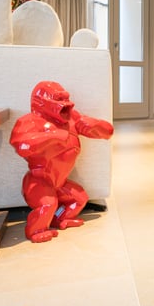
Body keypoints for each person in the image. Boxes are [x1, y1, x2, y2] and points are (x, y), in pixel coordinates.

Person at [10, 81, 114, 243]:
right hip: (39, 181)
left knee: (79, 199)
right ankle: (35, 230)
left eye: (66, 99)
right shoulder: (30, 121)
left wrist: (95, 126)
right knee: (48, 204)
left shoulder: (72, 118)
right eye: (59, 100)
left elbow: (107, 132)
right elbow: (21, 145)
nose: (66, 105)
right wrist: (52, 136)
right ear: (41, 102)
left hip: (60, 182)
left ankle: (58, 219)